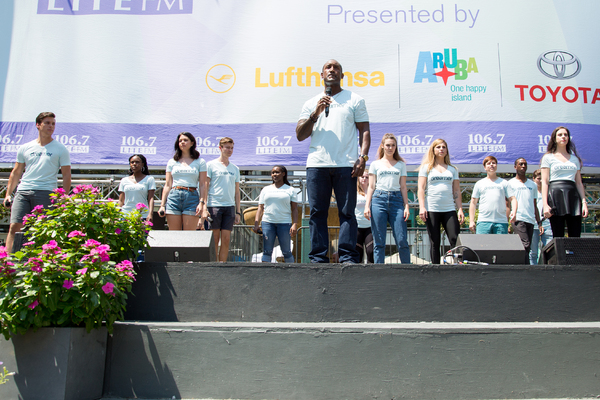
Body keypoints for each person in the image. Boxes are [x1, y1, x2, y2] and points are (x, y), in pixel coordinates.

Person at [296, 59, 370, 263]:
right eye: (328, 68)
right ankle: (318, 258)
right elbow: (300, 135)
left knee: (347, 213)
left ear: (342, 75)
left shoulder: (355, 99)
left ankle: (347, 257)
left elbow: (364, 130)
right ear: (321, 75)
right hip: (317, 165)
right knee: (317, 213)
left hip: (346, 165)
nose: (332, 70)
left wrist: (362, 157)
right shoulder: (311, 103)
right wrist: (315, 114)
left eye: (336, 67)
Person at [3, 112, 71, 252]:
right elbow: (16, 172)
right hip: (23, 191)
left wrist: (64, 196)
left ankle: (41, 263)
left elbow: (66, 175)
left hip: (46, 192)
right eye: (47, 123)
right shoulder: (25, 147)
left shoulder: (60, 148)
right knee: (15, 226)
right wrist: (8, 194)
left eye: (53, 123)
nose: (51, 126)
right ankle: (6, 264)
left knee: (43, 229)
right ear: (38, 125)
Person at [364, 133, 411, 264]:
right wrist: (367, 206)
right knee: (379, 241)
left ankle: (408, 271)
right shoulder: (375, 164)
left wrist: (406, 206)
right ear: (382, 146)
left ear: (396, 147)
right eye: (388, 145)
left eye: (393, 145)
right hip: (379, 199)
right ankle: (379, 272)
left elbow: (403, 187)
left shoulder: (401, 164)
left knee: (402, 239)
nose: (390, 148)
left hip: (397, 200)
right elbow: (371, 186)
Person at [418, 139, 465, 264]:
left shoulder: (453, 169)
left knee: (455, 240)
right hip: (432, 209)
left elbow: (456, 191)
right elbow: (421, 189)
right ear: (433, 150)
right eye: (438, 147)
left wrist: (460, 208)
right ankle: (435, 269)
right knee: (435, 242)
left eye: (444, 147)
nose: (441, 149)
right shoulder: (426, 168)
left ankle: (458, 266)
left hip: (449, 209)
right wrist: (422, 207)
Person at [540, 126, 588, 238]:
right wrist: (545, 204)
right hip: (555, 195)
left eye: (565, 135)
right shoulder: (548, 157)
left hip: (573, 196)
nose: (563, 137)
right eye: (560, 135)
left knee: (575, 234)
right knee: (558, 235)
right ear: (554, 138)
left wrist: (584, 202)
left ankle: (574, 255)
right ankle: (559, 256)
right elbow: (545, 182)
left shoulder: (574, 159)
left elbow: (579, 183)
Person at [158, 132, 207, 231]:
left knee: (188, 236)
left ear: (192, 143)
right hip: (174, 196)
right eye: (180, 141)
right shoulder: (172, 161)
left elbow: (202, 184)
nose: (182, 142)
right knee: (174, 234)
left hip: (191, 197)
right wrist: (162, 205)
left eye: (185, 140)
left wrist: (202, 203)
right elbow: (167, 185)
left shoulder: (200, 162)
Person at [252, 165, 298, 263]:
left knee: (286, 251)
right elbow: (260, 208)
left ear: (283, 174)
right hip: (268, 222)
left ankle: (292, 273)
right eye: (273, 173)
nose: (274, 175)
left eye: (277, 172)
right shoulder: (265, 189)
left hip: (285, 223)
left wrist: (295, 224)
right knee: (267, 251)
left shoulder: (290, 190)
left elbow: (294, 209)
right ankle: (266, 274)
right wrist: (256, 224)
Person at [205, 137, 241, 262]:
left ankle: (222, 266)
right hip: (213, 205)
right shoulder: (210, 165)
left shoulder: (235, 168)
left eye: (231, 148)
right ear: (220, 148)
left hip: (230, 207)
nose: (230, 150)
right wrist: (204, 206)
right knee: (214, 239)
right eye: (227, 147)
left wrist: (238, 211)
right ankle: (213, 266)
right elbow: (205, 186)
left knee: (226, 239)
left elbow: (237, 192)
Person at [469, 156, 517, 234]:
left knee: (500, 246)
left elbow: (513, 199)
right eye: (488, 163)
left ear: (496, 166)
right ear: (484, 167)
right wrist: (471, 221)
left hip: (501, 222)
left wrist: (514, 212)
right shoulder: (479, 183)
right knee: (481, 246)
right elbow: (473, 203)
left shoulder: (504, 183)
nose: (491, 165)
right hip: (483, 222)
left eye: (494, 163)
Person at [507, 158, 541, 259]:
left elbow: (535, 205)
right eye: (521, 164)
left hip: (530, 219)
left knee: (528, 246)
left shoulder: (533, 185)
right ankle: (524, 269)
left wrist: (539, 222)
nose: (523, 166)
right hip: (518, 218)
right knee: (524, 244)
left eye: (525, 164)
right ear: (515, 167)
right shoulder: (510, 183)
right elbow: (507, 204)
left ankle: (523, 267)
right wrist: (508, 221)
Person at [118, 154, 156, 221]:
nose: (134, 164)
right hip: (125, 215)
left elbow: (151, 198)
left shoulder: (149, 179)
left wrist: (150, 214)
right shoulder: (124, 180)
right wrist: (117, 214)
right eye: (132, 162)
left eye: (137, 162)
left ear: (142, 164)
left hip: (142, 215)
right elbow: (121, 200)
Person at [530, 169, 553, 264]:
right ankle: (532, 272)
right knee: (533, 252)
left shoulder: (550, 191)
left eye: (543, 179)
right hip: (534, 223)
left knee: (550, 249)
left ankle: (549, 270)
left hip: (547, 222)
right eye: (538, 179)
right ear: (534, 179)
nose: (540, 181)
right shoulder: (530, 191)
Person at [355, 170, 374, 263]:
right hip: (357, 226)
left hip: (369, 226)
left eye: (367, 177)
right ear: (359, 178)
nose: (364, 179)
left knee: (371, 251)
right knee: (358, 253)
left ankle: (372, 273)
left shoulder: (373, 192)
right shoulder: (354, 192)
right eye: (362, 177)